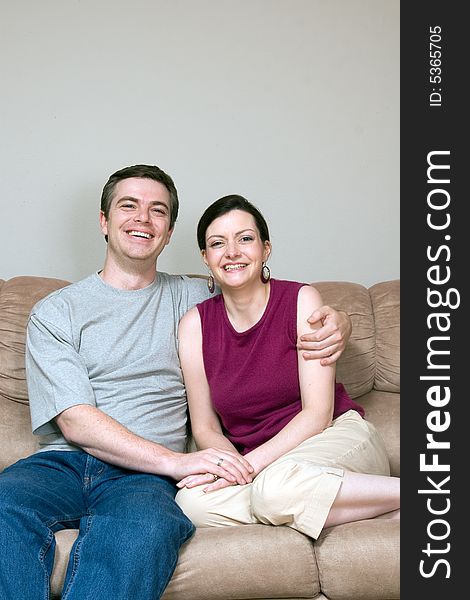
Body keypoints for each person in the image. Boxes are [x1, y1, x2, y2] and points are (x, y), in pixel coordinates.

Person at [0, 165, 352, 599]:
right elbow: (74, 422)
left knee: (139, 534)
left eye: (158, 211)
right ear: (104, 222)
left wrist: (339, 321)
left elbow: (267, 300)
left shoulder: (198, 299)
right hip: (61, 464)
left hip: (142, 479)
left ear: (169, 233)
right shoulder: (56, 312)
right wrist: (177, 462)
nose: (143, 219)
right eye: (129, 206)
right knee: (3, 507)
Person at [175, 194, 400, 540]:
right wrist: (230, 466)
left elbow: (318, 414)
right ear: (206, 258)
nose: (232, 252)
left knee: (274, 489)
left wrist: (250, 469)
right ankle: (357, 506)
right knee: (192, 504)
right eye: (218, 243)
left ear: (266, 249)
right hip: (269, 467)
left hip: (333, 438)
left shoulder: (300, 300)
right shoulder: (194, 325)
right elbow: (205, 427)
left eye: (245, 239)